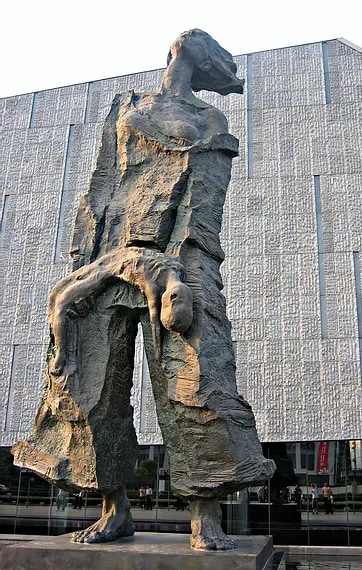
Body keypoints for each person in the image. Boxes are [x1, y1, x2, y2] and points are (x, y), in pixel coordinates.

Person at [12, 29, 275, 549]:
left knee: (196, 380)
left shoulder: (210, 119)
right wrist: (87, 256)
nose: (188, 40)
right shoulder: (126, 105)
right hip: (109, 253)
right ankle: (114, 509)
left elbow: (206, 193)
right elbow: (102, 184)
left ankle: (205, 517)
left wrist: (187, 262)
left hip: (179, 252)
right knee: (92, 384)